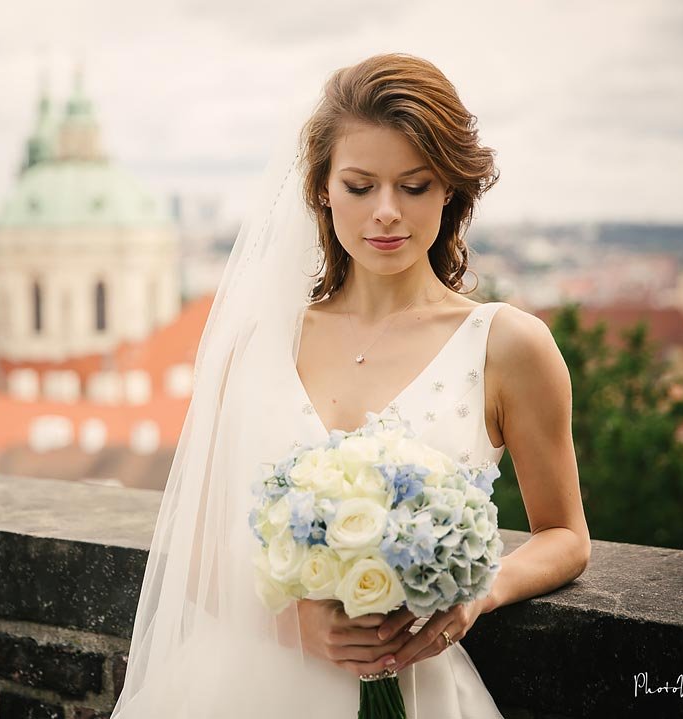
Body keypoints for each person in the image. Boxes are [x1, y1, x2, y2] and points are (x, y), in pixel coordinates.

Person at [110, 52, 591, 718]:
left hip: (418, 687)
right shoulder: (255, 342)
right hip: (242, 684)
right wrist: (296, 626)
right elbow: (192, 545)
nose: (387, 212)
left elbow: (566, 534)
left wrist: (478, 591)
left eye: (415, 185)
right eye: (361, 186)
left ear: (451, 188)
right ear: (322, 190)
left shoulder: (510, 346)